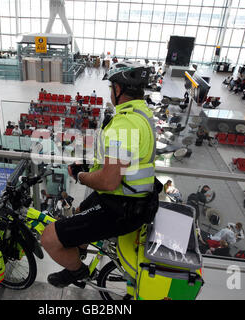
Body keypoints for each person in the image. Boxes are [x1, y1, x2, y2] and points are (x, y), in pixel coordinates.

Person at [41, 61, 158, 288]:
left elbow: (108, 180)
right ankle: (79, 252)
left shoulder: (124, 125)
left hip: (120, 207)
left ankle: (77, 271)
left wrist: (80, 176)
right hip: (135, 200)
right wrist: (89, 165)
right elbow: (121, 162)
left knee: (49, 238)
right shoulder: (141, 115)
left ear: (118, 89)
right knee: (78, 211)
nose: (110, 92)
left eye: (111, 87)